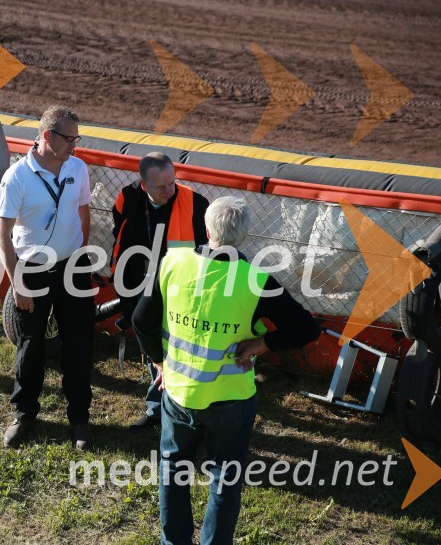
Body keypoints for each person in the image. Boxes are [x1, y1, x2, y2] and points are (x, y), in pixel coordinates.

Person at [132, 197, 319, 545]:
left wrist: (159, 361)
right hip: (231, 399)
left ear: (206, 229)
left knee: (173, 472)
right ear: (246, 235)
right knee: (224, 480)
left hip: (178, 393)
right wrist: (262, 345)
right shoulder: (256, 279)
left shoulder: (173, 262)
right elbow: (306, 328)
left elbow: (141, 319)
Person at [0, 105, 95, 450]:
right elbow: (2, 235)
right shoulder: (17, 176)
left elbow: (84, 212)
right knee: (30, 345)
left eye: (78, 138)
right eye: (70, 138)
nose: (75, 145)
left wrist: (82, 254)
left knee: (79, 344)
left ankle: (79, 418)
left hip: (70, 267)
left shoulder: (78, 168)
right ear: (48, 137)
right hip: (32, 270)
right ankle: (24, 414)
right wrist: (18, 283)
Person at [110, 152, 209, 430]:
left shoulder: (196, 203)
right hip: (138, 282)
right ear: (143, 185)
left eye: (172, 182)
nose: (170, 191)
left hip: (180, 289)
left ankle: (171, 408)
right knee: (152, 345)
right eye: (161, 187)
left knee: (173, 349)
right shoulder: (127, 197)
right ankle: (158, 408)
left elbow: (206, 250)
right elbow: (119, 230)